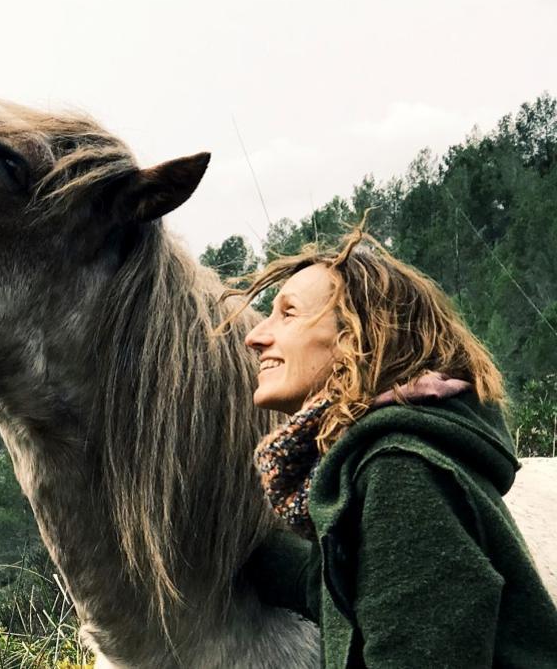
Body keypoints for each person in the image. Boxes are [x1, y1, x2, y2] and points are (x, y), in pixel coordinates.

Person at [222, 226, 557, 667]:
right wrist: (228, 542)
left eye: (288, 313)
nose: (255, 336)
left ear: (356, 338)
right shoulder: (380, 460)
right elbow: (344, 590)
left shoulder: (400, 471)